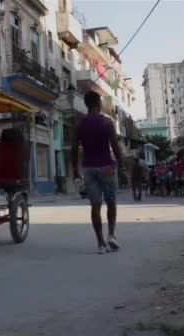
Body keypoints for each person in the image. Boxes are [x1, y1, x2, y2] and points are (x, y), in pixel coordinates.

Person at [72, 90, 124, 254]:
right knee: (111, 202)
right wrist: (121, 165)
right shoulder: (107, 122)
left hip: (88, 169)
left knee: (95, 206)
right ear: (98, 103)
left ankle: (101, 244)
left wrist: (75, 170)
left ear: (87, 104)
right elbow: (115, 147)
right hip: (106, 167)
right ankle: (111, 236)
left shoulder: (79, 124)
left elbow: (73, 149)